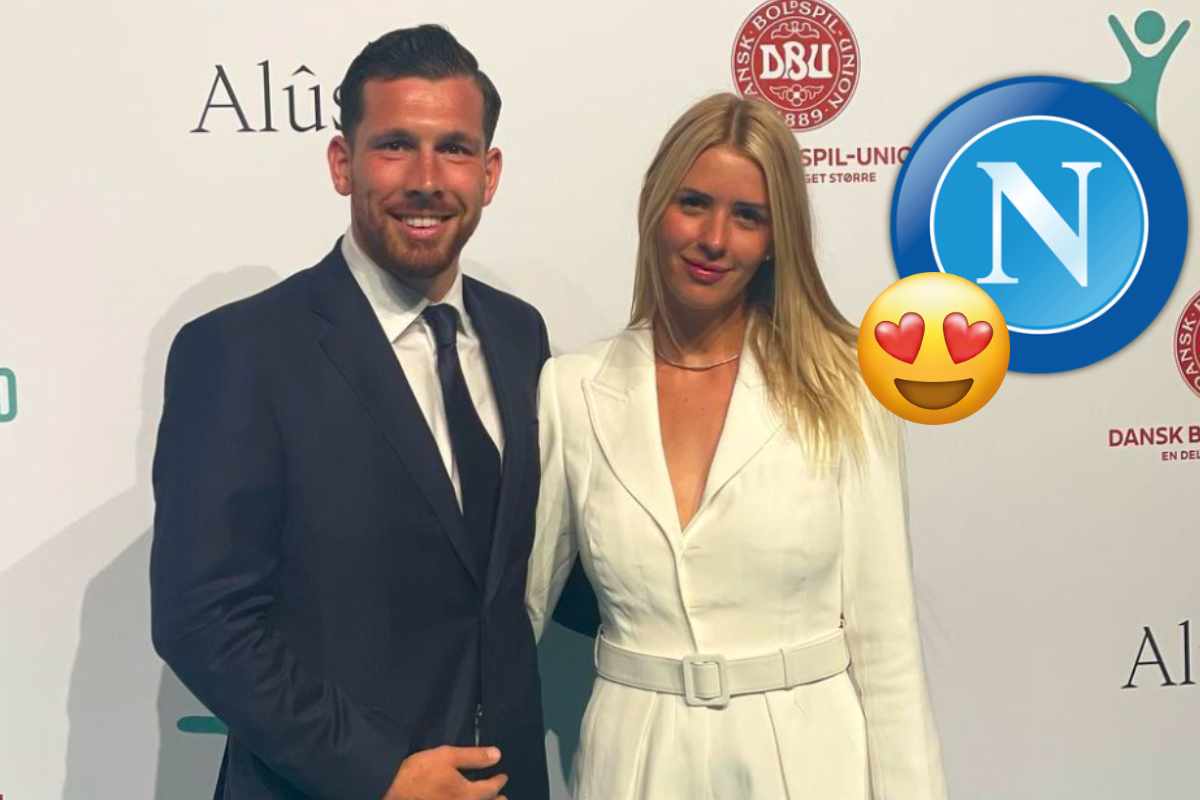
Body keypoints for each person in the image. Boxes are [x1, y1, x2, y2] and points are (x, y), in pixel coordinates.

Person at [152, 25, 554, 800]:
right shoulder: (241, 350)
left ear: (490, 172)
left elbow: (523, 567)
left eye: (455, 149)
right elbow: (202, 619)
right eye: (395, 146)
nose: (427, 179)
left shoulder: (519, 335)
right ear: (343, 163)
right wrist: (379, 774)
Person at [527, 93, 948, 799]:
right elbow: (517, 614)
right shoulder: (572, 390)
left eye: (748, 216)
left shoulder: (847, 384)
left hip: (807, 762)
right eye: (693, 203)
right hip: (634, 762)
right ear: (654, 206)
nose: (714, 239)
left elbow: (887, 644)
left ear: (778, 237)